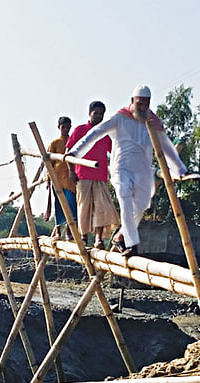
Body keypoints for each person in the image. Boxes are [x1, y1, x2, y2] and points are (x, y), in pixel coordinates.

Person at [67, 84, 187, 257]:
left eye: (146, 104)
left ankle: (121, 236)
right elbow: (95, 134)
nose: (143, 108)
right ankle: (131, 244)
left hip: (142, 170)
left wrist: (180, 169)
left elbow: (165, 146)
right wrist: (75, 152)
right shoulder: (119, 118)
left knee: (142, 204)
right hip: (121, 169)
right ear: (132, 101)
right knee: (125, 198)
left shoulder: (152, 121)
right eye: (140, 104)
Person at [67, 101, 119, 248]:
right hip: (82, 174)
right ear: (90, 113)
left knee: (101, 207)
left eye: (101, 114)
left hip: (100, 175)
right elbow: (68, 153)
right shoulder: (80, 130)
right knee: (84, 207)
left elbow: (113, 152)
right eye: (95, 113)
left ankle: (98, 239)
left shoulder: (105, 133)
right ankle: (83, 237)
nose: (98, 116)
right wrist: (71, 171)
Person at [46, 116, 79, 238]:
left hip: (70, 178)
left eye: (67, 126)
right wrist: (48, 180)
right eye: (63, 127)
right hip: (57, 178)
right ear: (59, 127)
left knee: (71, 203)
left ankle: (70, 231)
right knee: (58, 204)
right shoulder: (54, 143)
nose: (65, 129)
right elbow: (49, 163)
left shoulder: (74, 142)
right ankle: (58, 230)